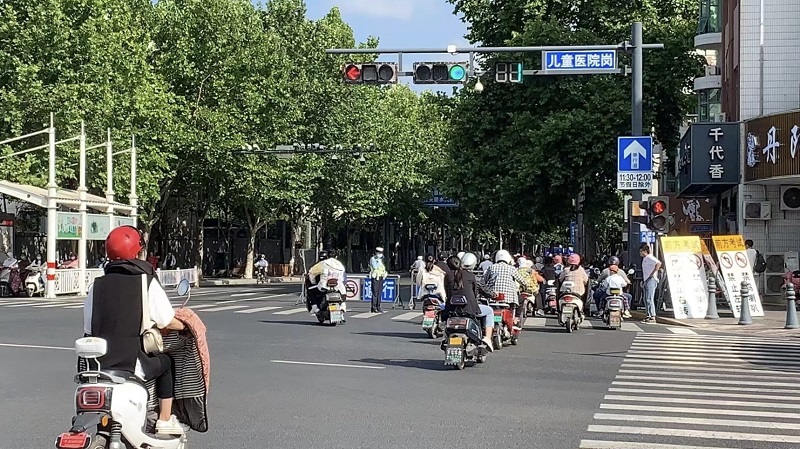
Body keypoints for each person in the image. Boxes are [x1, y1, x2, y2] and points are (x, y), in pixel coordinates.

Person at [82, 226, 186, 435]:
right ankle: (165, 419)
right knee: (167, 363)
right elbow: (166, 320)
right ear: (138, 252)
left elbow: (88, 327)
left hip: (97, 365)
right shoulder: (145, 281)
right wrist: (186, 325)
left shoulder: (96, 286)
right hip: (133, 364)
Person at [443, 255, 496, 351]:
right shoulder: (470, 275)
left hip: (451, 309)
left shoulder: (447, 276)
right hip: (469, 309)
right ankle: (487, 338)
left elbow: (447, 293)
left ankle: (445, 337)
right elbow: (475, 293)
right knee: (489, 311)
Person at [484, 249, 529, 330]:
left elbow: (484, 280)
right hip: (509, 299)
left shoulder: (491, 267)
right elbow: (522, 281)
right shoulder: (512, 268)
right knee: (522, 299)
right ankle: (516, 319)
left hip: (492, 297)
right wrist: (526, 285)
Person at [306, 249, 347, 320]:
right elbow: (344, 279)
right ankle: (342, 307)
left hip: (324, 287)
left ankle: (315, 308)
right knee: (343, 296)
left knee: (310, 291)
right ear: (336, 257)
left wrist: (313, 282)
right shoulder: (341, 265)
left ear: (327, 256)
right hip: (338, 288)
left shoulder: (324, 263)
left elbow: (311, 272)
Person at [639, 244, 662, 323]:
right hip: (646, 280)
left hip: (651, 280)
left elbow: (658, 263)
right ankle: (648, 315)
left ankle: (652, 316)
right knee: (645, 299)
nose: (640, 253)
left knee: (649, 298)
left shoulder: (650, 257)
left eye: (641, 251)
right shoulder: (645, 259)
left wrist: (653, 273)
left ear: (645, 251)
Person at [369, 247, 387, 313]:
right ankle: (374, 307)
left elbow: (383, 268)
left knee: (379, 293)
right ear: (376, 252)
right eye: (379, 253)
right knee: (375, 293)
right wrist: (379, 262)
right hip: (375, 277)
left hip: (381, 277)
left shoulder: (381, 259)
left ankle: (378, 306)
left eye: (381, 253)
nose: (380, 254)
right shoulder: (373, 259)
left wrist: (384, 273)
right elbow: (375, 267)